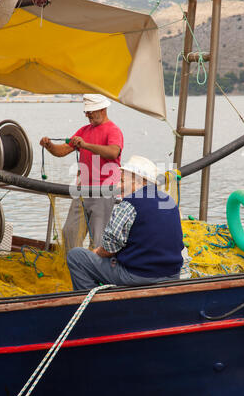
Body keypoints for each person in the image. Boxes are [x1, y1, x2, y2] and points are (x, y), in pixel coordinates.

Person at [67, 155, 184, 290]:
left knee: (76, 256)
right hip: (173, 274)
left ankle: (91, 303)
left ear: (139, 182)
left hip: (138, 276)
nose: (118, 186)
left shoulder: (129, 204)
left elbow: (109, 248)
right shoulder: (168, 201)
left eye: (122, 181)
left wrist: (96, 252)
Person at [40, 94, 124, 251]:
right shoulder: (84, 130)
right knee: (69, 232)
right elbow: (62, 151)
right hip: (82, 191)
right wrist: (50, 145)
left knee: (98, 240)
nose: (87, 115)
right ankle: (75, 268)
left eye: (90, 112)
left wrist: (85, 145)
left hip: (104, 192)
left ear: (102, 109)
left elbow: (113, 152)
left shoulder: (113, 130)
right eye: (86, 112)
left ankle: (96, 273)